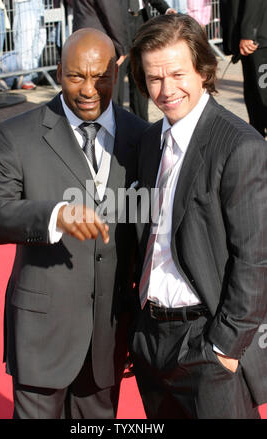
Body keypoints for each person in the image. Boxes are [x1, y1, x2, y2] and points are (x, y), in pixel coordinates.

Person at [0, 28, 148, 419]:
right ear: (58, 70)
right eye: (75, 76)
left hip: (109, 335)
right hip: (41, 333)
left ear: (116, 74)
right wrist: (54, 215)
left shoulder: (142, 137)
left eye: (99, 76)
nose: (88, 89)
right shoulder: (16, 135)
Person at [128, 13, 267, 418]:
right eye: (154, 78)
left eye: (177, 74)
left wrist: (225, 345)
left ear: (203, 71)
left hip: (207, 342)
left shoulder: (240, 146)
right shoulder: (150, 141)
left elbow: (255, 257)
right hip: (152, 338)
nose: (166, 90)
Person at [220, 0, 267, 138]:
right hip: (251, 39)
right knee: (252, 92)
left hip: (258, 39)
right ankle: (257, 136)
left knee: (262, 93)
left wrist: (249, 33)